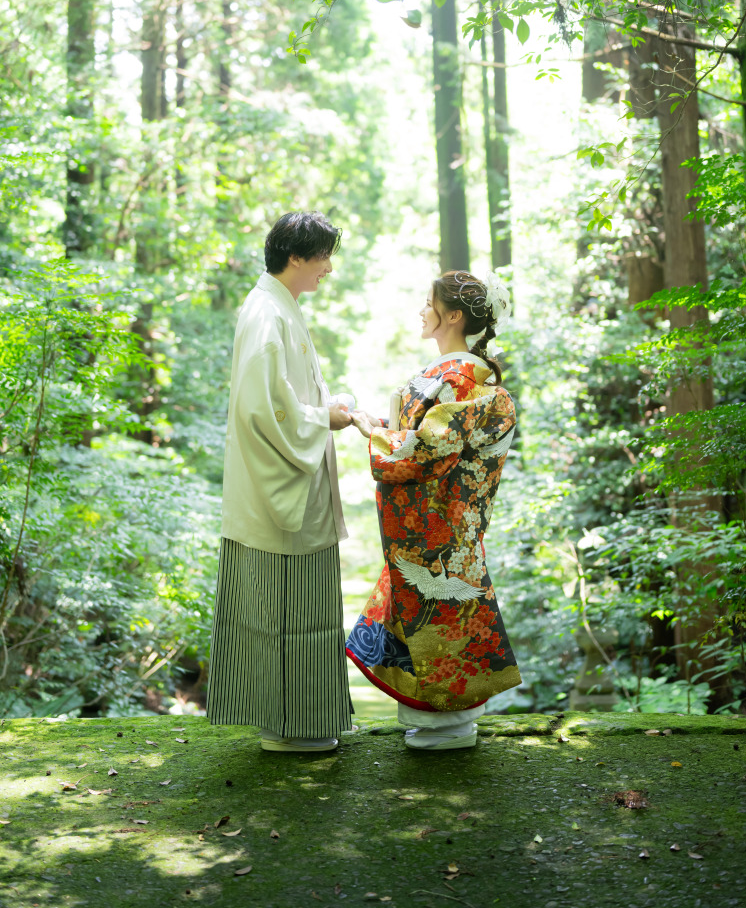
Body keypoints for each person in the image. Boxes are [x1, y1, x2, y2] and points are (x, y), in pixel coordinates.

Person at [347, 270, 522, 751]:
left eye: (429, 303)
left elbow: (425, 448)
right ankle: (448, 724)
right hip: (453, 523)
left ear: (453, 315)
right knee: (448, 608)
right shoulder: (464, 378)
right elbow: (430, 437)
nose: (422, 310)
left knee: (439, 613)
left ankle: (445, 727)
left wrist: (374, 434)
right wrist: (384, 427)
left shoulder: (452, 378)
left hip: (434, 524)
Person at [206, 211, 354, 753]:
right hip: (281, 490)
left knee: (295, 610)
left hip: (293, 481)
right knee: (284, 612)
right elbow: (260, 409)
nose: (328, 269)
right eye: (323, 257)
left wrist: (324, 406)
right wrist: (325, 419)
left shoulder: (276, 306)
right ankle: (291, 727)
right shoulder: (267, 313)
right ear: (297, 257)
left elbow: (282, 397)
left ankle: (300, 723)